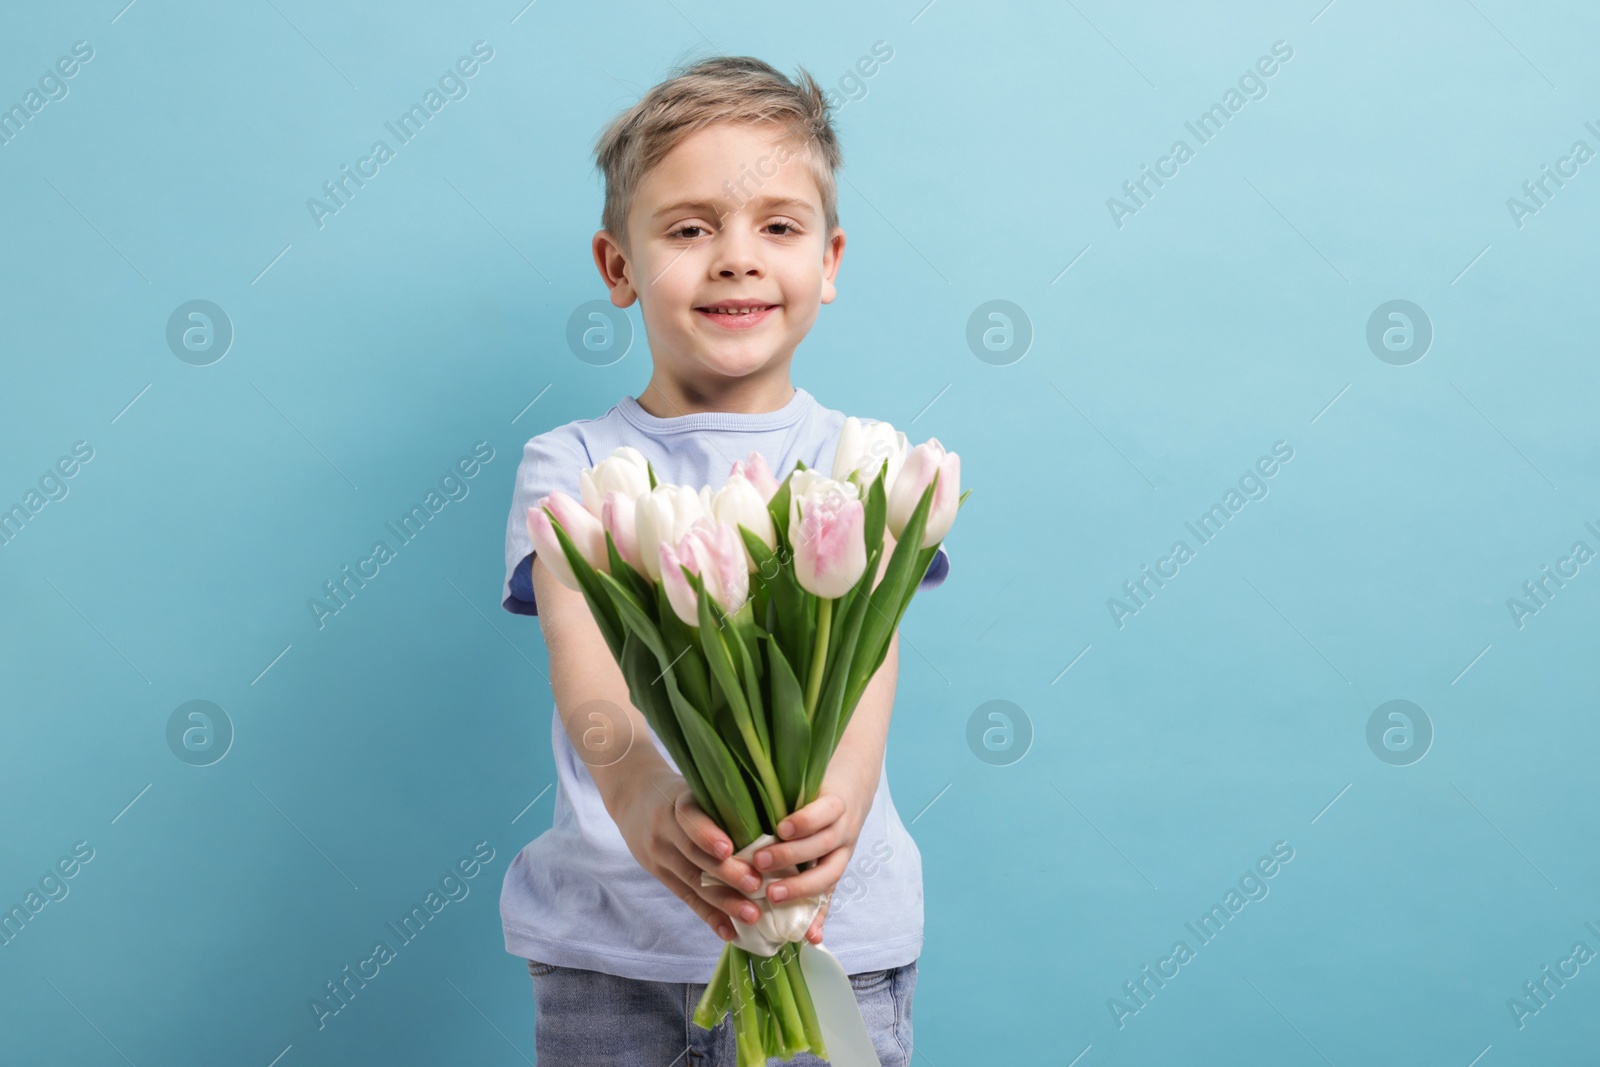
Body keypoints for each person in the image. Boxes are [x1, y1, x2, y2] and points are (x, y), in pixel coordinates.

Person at [498, 54, 950, 1066]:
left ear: (828, 262)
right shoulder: (572, 465)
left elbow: (866, 664)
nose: (736, 258)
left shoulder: (865, 466)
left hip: (829, 928)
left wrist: (828, 815)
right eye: (690, 227)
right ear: (618, 267)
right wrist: (646, 798)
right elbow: (589, 675)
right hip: (609, 948)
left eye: (777, 227)